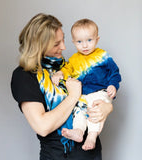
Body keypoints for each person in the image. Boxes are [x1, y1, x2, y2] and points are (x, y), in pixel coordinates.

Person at [11, 13, 113, 160]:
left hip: (91, 152)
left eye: (63, 39)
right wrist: (73, 96)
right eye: (56, 44)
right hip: (58, 155)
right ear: (39, 46)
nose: (64, 47)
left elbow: (98, 91)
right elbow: (43, 127)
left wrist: (107, 108)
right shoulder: (24, 76)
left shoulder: (68, 67)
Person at [52, 18, 121, 151]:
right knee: (79, 111)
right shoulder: (74, 59)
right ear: (73, 42)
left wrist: (113, 85)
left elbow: (114, 72)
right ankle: (78, 131)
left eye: (89, 40)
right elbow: (67, 69)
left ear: (97, 39)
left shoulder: (103, 56)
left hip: (100, 92)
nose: (84, 46)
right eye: (79, 42)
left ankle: (92, 136)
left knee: (94, 111)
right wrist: (60, 73)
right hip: (83, 94)